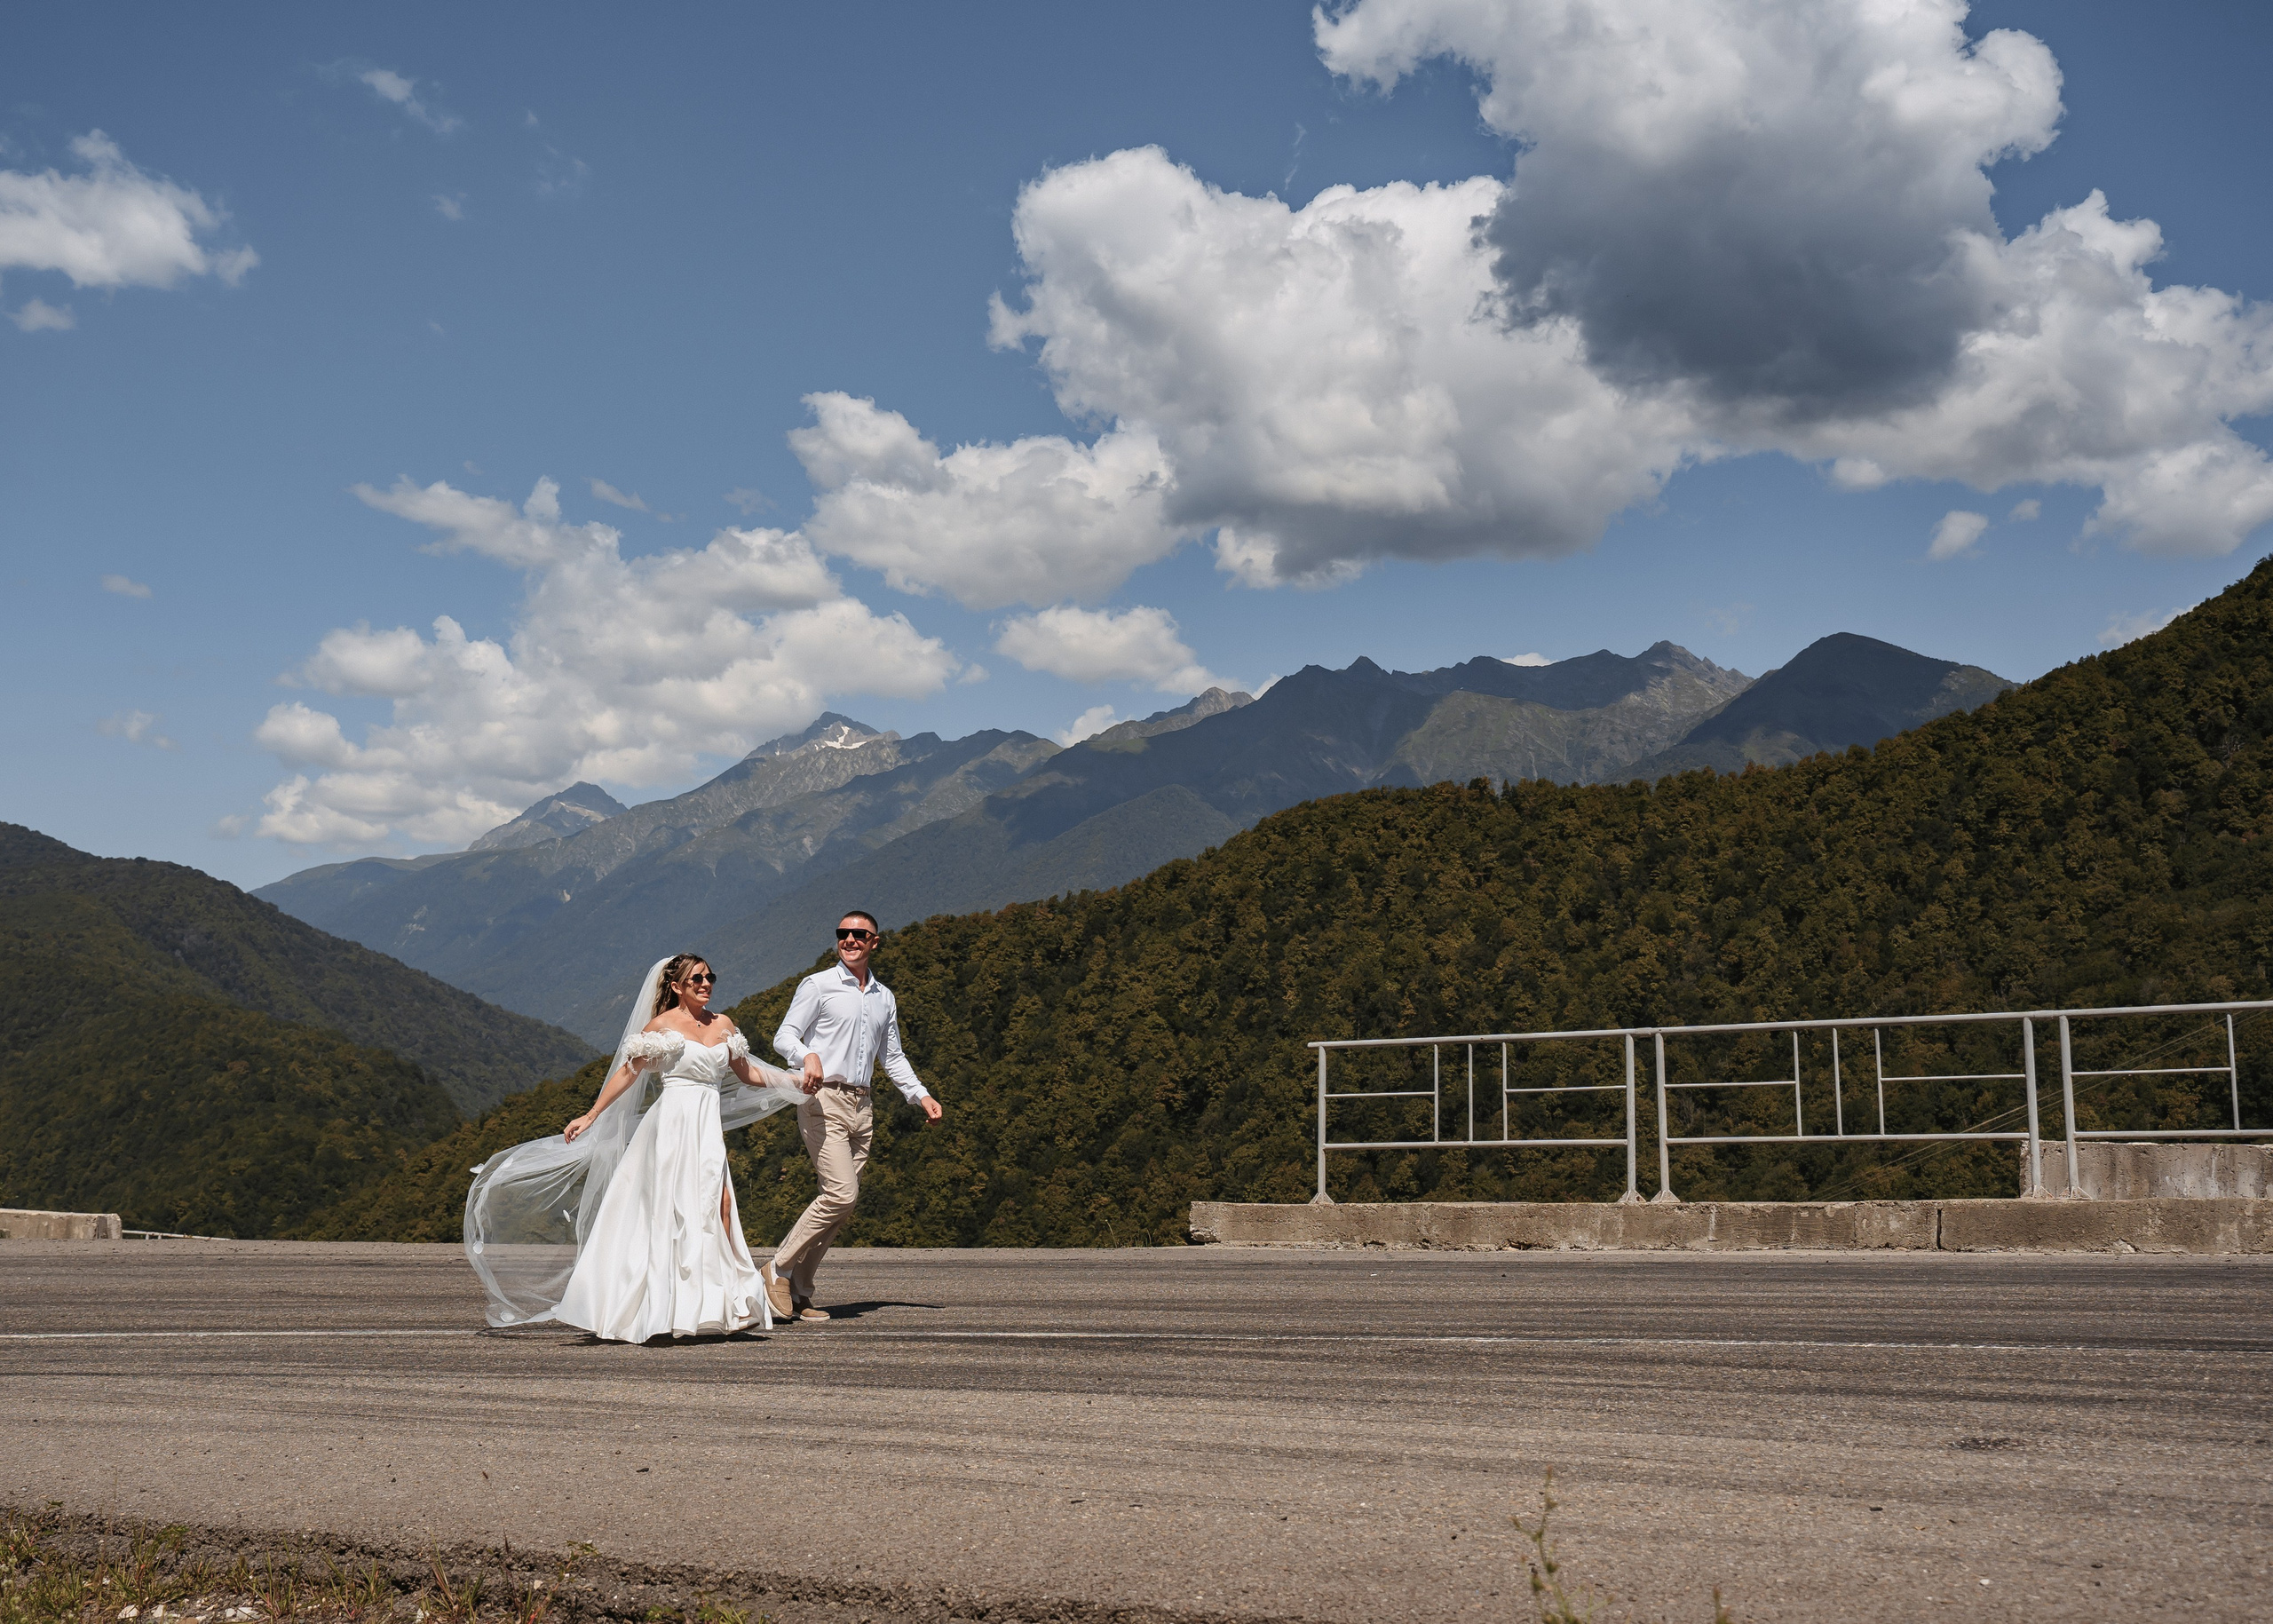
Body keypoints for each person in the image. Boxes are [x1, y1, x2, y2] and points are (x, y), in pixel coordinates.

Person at [462, 953, 804, 1338]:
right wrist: (591, 1116)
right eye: (696, 980)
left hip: (705, 1128)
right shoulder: (661, 1026)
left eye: (709, 977)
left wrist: (792, 1082)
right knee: (671, 1210)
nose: (705, 984)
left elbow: (749, 1072)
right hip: (672, 1126)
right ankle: (661, 1307)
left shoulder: (723, 1024)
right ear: (676, 987)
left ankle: (724, 1302)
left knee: (719, 1204)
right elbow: (629, 1072)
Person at [762, 910, 943, 1322]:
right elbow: (784, 1034)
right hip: (823, 1100)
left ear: (875, 942)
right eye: (843, 934)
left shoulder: (884, 997)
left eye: (859, 934)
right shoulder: (819, 985)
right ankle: (776, 1270)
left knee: (844, 1205)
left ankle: (801, 1292)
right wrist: (805, 1054)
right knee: (841, 1194)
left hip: (863, 1105)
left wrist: (921, 1095)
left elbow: (892, 1056)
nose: (850, 940)